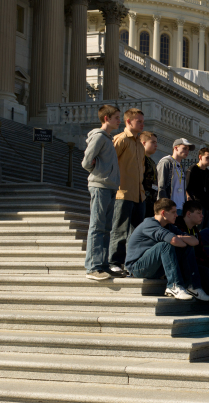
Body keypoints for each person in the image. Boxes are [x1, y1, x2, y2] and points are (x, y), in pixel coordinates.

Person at [125, 198, 209, 302]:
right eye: (173, 212)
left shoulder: (169, 226)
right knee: (165, 245)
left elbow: (194, 241)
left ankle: (193, 287)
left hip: (155, 268)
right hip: (137, 268)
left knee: (187, 247)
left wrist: (179, 238)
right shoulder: (150, 224)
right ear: (163, 213)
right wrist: (178, 239)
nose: (177, 215)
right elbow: (174, 241)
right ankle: (173, 286)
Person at [83, 104, 122, 281]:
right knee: (97, 226)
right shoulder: (98, 137)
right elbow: (86, 162)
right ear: (106, 118)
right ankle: (93, 266)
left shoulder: (108, 138)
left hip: (110, 186)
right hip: (100, 185)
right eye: (116, 117)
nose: (119, 121)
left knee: (106, 228)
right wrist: (100, 172)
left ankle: (103, 264)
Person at [109, 107, 146, 274]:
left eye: (143, 121)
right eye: (139, 121)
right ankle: (114, 261)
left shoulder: (139, 143)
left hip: (139, 194)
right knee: (120, 230)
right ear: (128, 121)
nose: (142, 124)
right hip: (122, 192)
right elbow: (108, 161)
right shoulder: (121, 139)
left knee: (136, 233)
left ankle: (131, 263)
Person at [157, 138, 194, 216]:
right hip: (169, 207)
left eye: (188, 150)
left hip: (180, 207)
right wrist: (163, 205)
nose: (187, 151)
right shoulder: (166, 162)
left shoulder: (181, 166)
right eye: (184, 148)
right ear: (176, 148)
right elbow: (161, 186)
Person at [186, 147, 209, 230]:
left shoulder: (207, 172)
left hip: (206, 206)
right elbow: (186, 187)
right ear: (200, 157)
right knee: (197, 228)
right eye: (207, 158)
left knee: (205, 229)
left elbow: (208, 191)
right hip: (196, 204)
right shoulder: (192, 169)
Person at [139, 131, 158, 219]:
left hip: (152, 199)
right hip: (142, 198)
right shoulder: (141, 159)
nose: (156, 145)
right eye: (153, 142)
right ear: (143, 143)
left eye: (156, 143)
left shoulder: (152, 162)